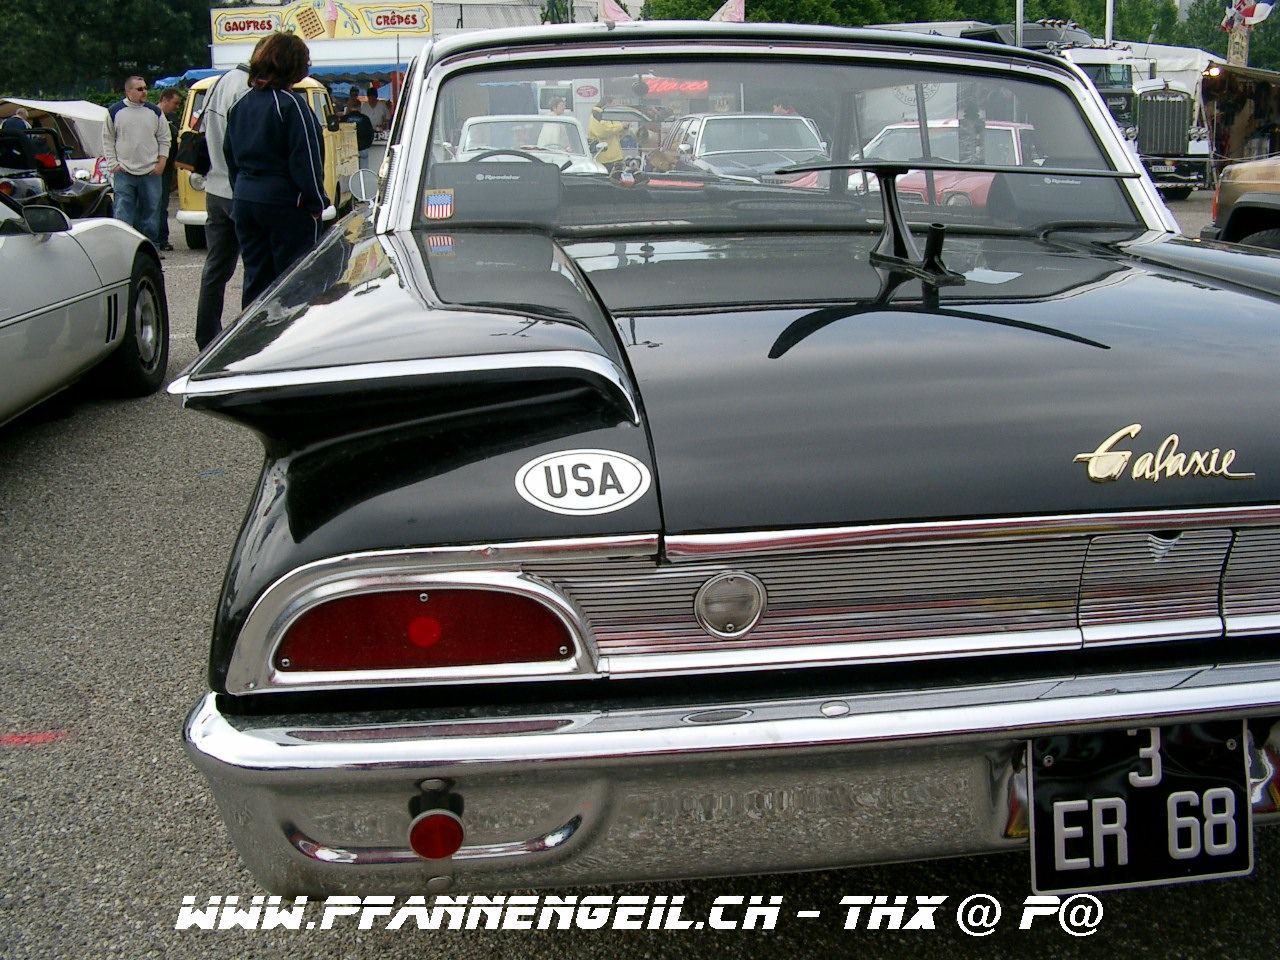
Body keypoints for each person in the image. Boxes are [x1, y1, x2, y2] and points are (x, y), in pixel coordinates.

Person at [224, 31, 329, 308]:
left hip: (246, 198)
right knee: (295, 280)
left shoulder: (240, 104)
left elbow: (230, 155)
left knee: (256, 279)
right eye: (305, 60)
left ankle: (253, 332)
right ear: (292, 64)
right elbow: (306, 160)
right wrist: (316, 203)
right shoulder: (291, 104)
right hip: (285, 203)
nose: (308, 65)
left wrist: (241, 191)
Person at [193, 58, 254, 350]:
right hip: (239, 188)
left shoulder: (220, 82)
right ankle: (251, 337)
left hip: (215, 188)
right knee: (254, 267)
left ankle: (206, 336)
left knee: (215, 269)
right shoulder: (247, 90)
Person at [103, 76, 170, 250]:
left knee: (151, 212)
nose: (144, 92)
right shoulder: (114, 111)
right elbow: (107, 139)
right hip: (124, 171)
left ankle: (151, 248)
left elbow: (164, 138)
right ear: (128, 91)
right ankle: (123, 248)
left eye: (145, 88)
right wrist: (113, 164)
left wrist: (161, 162)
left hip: (151, 171)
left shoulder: (155, 111)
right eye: (140, 89)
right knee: (123, 212)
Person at [155, 88, 181, 251]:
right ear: (165, 99)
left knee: (162, 204)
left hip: (167, 168)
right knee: (156, 204)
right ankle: (158, 239)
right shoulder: (153, 116)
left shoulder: (170, 119)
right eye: (175, 103)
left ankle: (161, 238)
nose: (177, 107)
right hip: (156, 167)